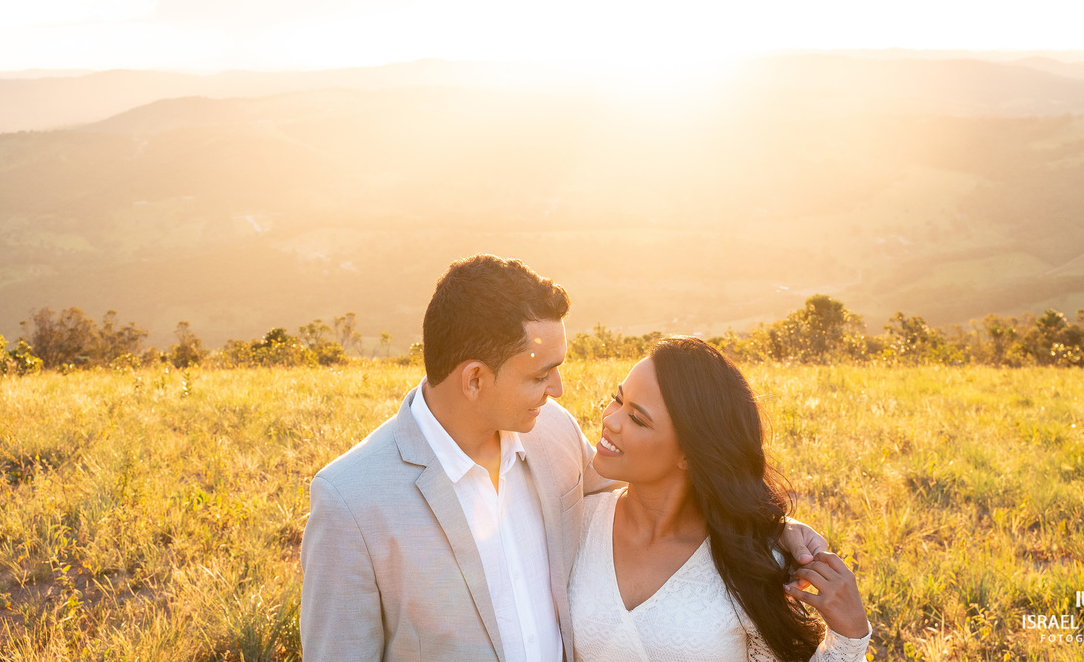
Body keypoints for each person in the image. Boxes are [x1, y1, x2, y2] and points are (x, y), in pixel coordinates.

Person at [301, 255, 829, 662]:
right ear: (475, 379)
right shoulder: (351, 502)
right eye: (539, 374)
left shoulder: (551, 433)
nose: (558, 388)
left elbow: (647, 496)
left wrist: (766, 530)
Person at [569, 336, 871, 662]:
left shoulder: (749, 560)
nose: (609, 420)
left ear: (690, 453)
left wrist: (849, 635)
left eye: (637, 418)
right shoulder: (576, 522)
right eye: (618, 399)